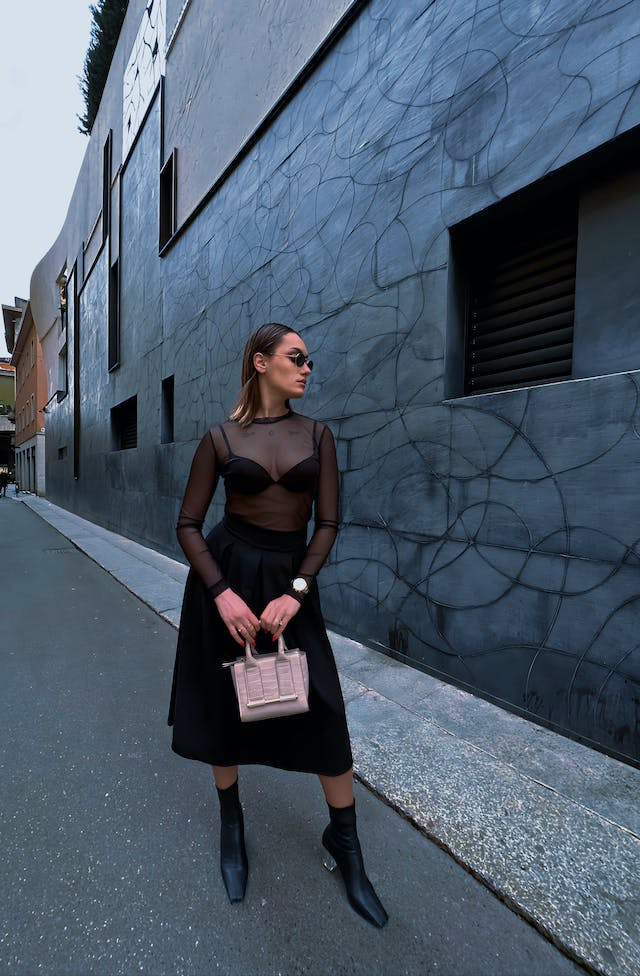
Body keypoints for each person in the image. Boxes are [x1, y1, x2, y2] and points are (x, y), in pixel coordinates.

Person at [168, 322, 387, 928]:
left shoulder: (317, 435)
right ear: (260, 362)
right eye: (296, 358)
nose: (308, 367)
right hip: (228, 579)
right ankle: (231, 824)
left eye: (309, 360)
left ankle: (344, 842)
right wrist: (221, 594)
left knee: (323, 707)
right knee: (224, 704)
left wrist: (298, 590)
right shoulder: (220, 437)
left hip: (291, 586)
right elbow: (188, 523)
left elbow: (328, 525)